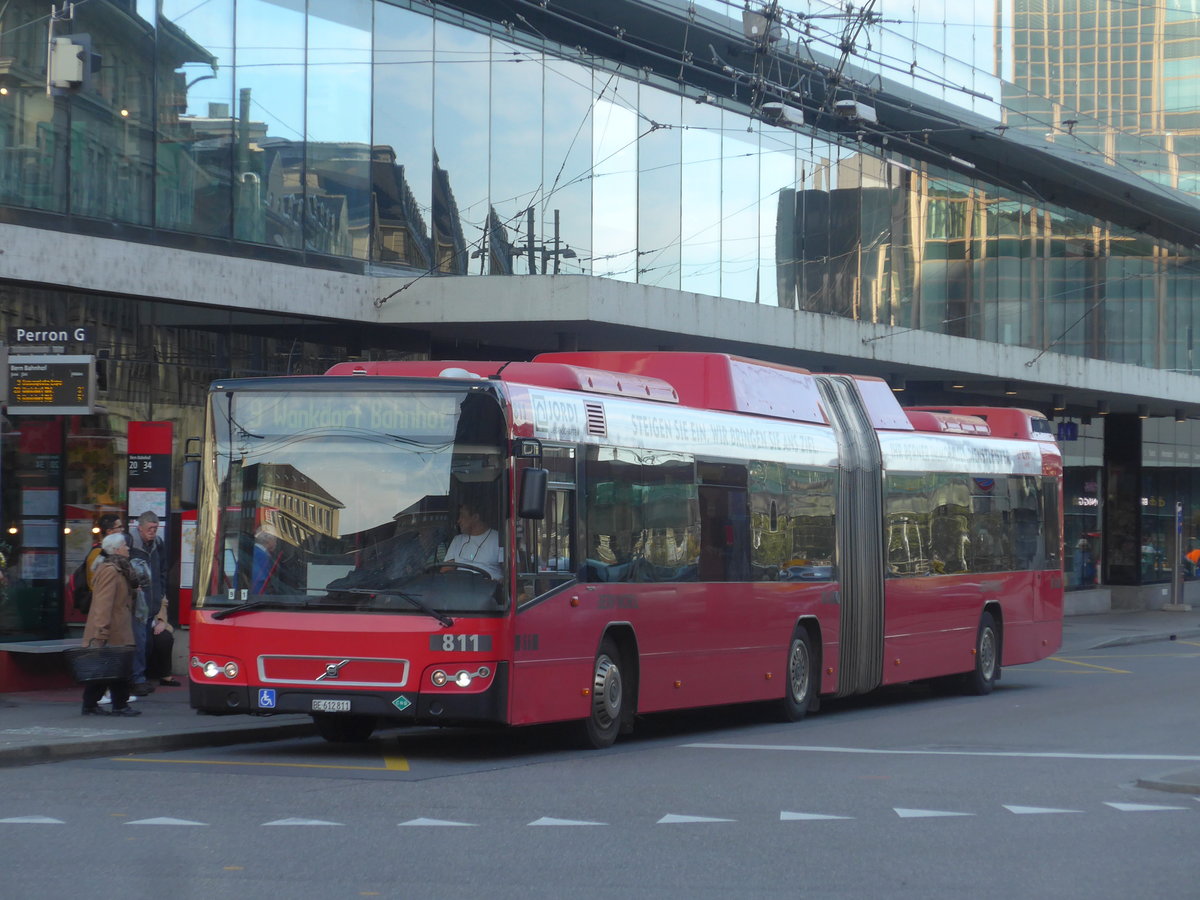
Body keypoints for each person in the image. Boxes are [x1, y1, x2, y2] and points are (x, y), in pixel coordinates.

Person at [80, 532, 141, 717]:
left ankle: (106, 705)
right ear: (116, 549)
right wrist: (101, 632)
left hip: (118, 629)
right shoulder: (110, 571)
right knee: (109, 669)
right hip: (111, 629)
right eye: (124, 545)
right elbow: (102, 604)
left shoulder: (119, 569)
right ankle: (114, 705)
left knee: (113, 669)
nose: (128, 548)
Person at [127, 511, 169, 696]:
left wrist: (160, 595)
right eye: (149, 529)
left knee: (147, 643)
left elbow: (162, 571)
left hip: (152, 601)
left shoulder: (157, 544)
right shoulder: (129, 543)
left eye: (155, 528)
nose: (153, 532)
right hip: (137, 604)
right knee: (139, 642)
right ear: (140, 528)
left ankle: (141, 676)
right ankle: (137, 679)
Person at [441, 502, 501, 580]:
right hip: (460, 587)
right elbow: (446, 570)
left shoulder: (499, 538)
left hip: (490, 589)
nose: (458, 521)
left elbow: (512, 572)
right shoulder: (457, 540)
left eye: (462, 516)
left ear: (475, 517)